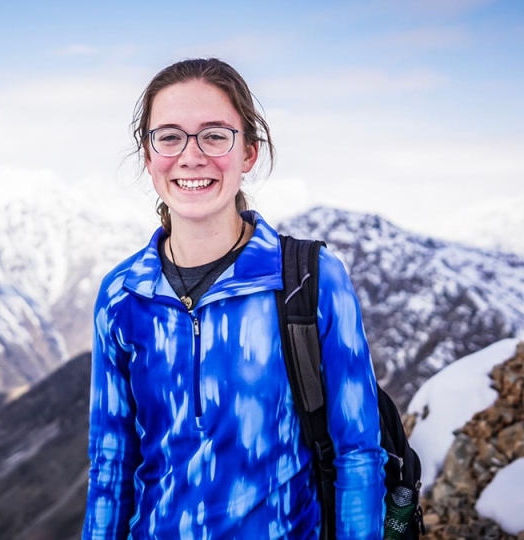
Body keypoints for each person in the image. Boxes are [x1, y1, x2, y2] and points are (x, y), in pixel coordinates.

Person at [82, 58, 387, 539]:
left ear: (248, 153)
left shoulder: (309, 279)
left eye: (215, 135)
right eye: (170, 136)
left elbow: (359, 454)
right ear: (148, 156)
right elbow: (110, 466)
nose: (191, 156)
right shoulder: (123, 295)